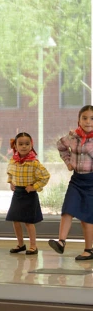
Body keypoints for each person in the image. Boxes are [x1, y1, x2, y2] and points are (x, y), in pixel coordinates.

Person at [49, 104, 93, 260]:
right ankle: (61, 242)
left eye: (92, 119)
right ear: (78, 120)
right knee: (68, 209)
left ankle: (89, 250)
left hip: (91, 182)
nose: (88, 121)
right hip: (76, 179)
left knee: (87, 217)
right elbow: (60, 146)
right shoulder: (73, 137)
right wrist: (68, 162)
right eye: (85, 118)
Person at [6, 132, 50, 255]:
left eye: (27, 144)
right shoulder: (13, 161)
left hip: (29, 194)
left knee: (28, 221)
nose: (24, 146)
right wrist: (11, 182)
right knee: (15, 220)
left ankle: (33, 246)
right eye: (20, 144)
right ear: (15, 146)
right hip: (17, 193)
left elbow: (45, 176)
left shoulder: (34, 163)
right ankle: (20, 244)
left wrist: (34, 187)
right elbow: (10, 172)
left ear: (31, 145)